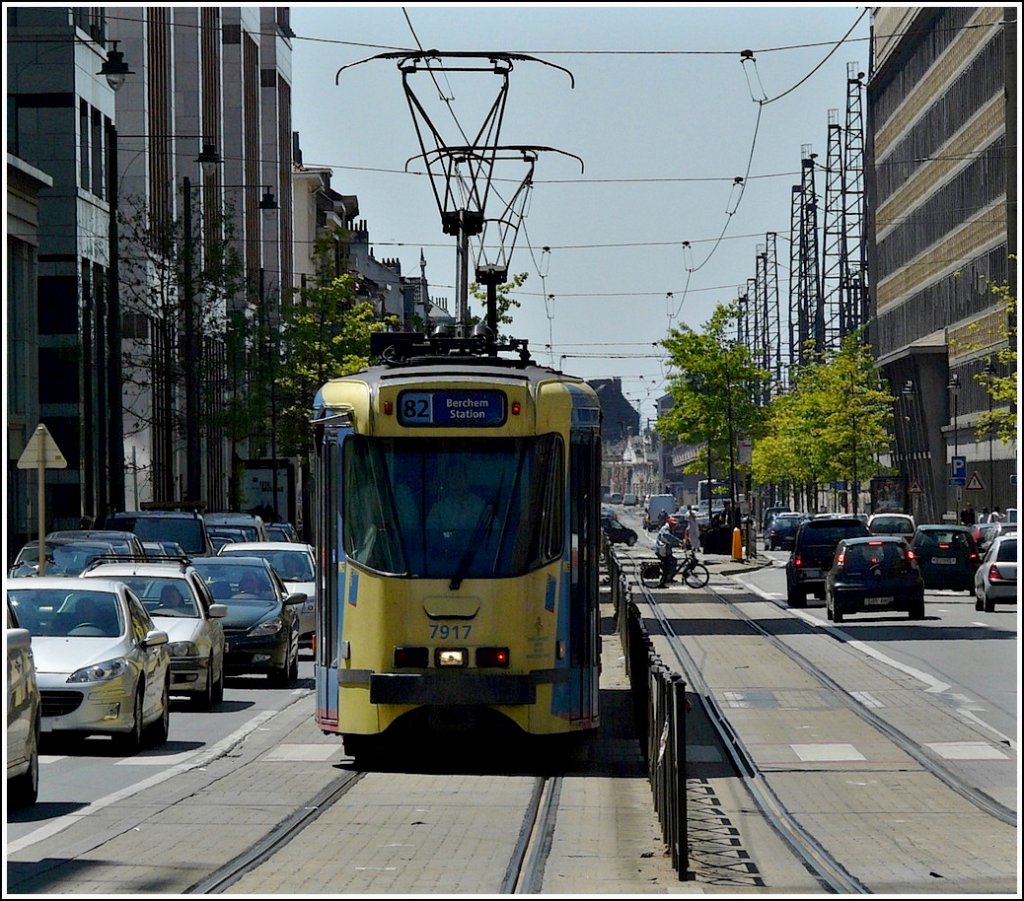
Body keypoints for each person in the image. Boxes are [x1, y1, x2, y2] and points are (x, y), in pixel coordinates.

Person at [426, 457, 489, 540]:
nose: (457, 480)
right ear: (447, 480)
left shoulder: (481, 507)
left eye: (460, 475)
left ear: (466, 478)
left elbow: (493, 534)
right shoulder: (438, 510)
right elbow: (430, 538)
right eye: (452, 475)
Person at [654, 518, 684, 587]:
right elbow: (669, 537)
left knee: (673, 561)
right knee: (667, 566)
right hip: (662, 551)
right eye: (673, 525)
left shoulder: (669, 529)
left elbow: (670, 541)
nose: (675, 526)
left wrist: (678, 544)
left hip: (665, 551)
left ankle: (669, 578)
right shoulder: (665, 529)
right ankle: (663, 582)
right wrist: (679, 541)